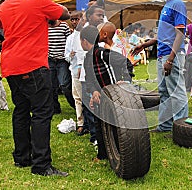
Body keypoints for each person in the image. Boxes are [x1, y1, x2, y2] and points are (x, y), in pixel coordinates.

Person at [0, 0, 69, 176]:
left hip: (10, 64)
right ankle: (41, 164)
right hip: (32, 63)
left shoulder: (5, 4)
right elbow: (64, 14)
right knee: (42, 113)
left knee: (21, 110)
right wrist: (48, 17)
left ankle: (22, 157)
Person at [132, 0, 188, 132]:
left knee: (176, 92)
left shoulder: (177, 4)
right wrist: (145, 44)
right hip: (162, 55)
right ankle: (165, 125)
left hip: (171, 56)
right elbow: (163, 34)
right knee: (164, 91)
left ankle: (181, 128)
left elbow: (180, 34)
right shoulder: (167, 6)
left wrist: (170, 59)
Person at [80, 25, 131, 160]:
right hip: (100, 97)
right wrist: (94, 91)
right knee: (100, 125)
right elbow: (89, 79)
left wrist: (125, 80)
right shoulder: (87, 59)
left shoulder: (103, 53)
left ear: (84, 41)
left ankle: (122, 152)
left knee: (116, 125)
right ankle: (102, 155)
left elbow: (125, 62)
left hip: (114, 96)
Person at [65, 10, 87, 135]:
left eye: (76, 19)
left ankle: (90, 123)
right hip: (74, 71)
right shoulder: (70, 38)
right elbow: (66, 56)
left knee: (86, 97)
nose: (74, 22)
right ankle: (81, 122)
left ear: (82, 20)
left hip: (86, 70)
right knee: (77, 97)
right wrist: (70, 55)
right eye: (72, 20)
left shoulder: (88, 34)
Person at [48, 18, 75, 113]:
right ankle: (55, 108)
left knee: (64, 84)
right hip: (50, 60)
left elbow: (69, 41)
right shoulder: (44, 27)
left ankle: (75, 104)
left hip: (62, 60)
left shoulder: (63, 26)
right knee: (51, 86)